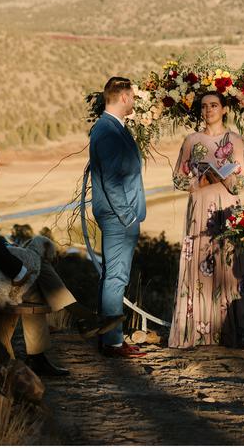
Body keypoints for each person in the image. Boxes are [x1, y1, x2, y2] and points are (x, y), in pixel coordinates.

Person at [0, 137, 114, 376]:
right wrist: (19, 271)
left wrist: (10, 251)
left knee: (34, 266)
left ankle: (77, 321)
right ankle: (68, 327)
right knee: (35, 275)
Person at [167, 93, 244, 353]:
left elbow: (243, 180)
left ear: (225, 109)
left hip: (226, 210)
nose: (208, 110)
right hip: (199, 211)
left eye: (214, 105)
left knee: (228, 266)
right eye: (204, 106)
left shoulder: (236, 141)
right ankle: (196, 332)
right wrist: (199, 181)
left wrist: (223, 176)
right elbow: (178, 178)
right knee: (198, 267)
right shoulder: (191, 141)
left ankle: (232, 332)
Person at [89, 76, 147, 358]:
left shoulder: (109, 127)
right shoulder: (109, 132)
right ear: (124, 97)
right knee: (116, 278)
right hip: (117, 216)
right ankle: (112, 341)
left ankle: (107, 336)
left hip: (115, 215)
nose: (134, 101)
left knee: (110, 275)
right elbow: (112, 181)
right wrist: (128, 217)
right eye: (133, 96)